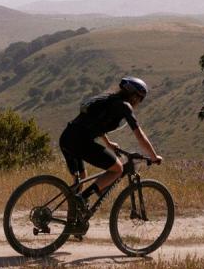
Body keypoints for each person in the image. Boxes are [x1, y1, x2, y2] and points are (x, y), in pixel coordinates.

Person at [59, 76, 163, 222]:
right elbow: (139, 134)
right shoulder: (124, 106)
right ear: (134, 96)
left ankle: (73, 223)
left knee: (81, 178)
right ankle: (82, 199)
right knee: (118, 169)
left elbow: (96, 122)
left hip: (67, 137)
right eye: (140, 99)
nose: (139, 102)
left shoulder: (108, 99)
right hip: (80, 141)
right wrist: (153, 156)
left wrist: (108, 143)